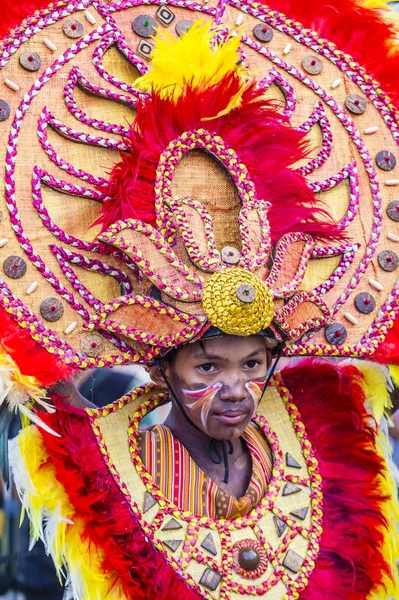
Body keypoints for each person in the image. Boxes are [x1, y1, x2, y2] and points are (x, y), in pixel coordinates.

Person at [1, 2, 399, 600]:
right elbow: (55, 403)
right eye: (209, 366)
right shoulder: (105, 453)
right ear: (162, 367)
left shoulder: (317, 433)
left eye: (253, 364)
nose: (237, 388)